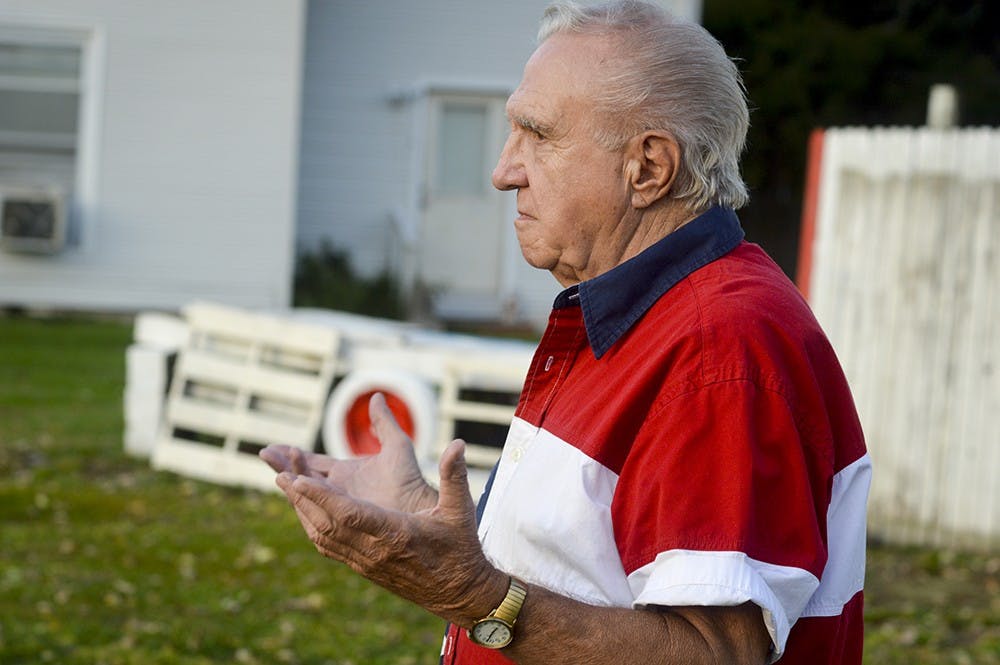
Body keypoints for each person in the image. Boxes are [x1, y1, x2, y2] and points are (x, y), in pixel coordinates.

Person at [260, 1, 872, 663]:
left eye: (538, 135)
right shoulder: (633, 310)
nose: (503, 171)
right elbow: (581, 560)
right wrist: (416, 510)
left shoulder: (720, 346)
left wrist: (475, 596)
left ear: (648, 168)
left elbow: (711, 654)